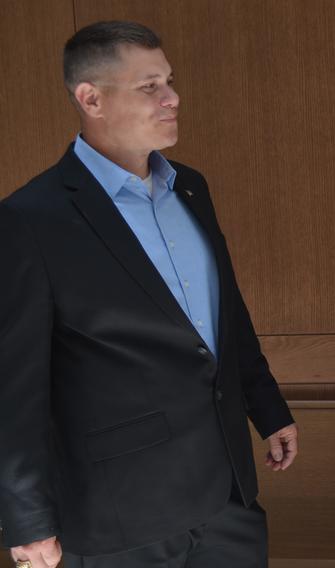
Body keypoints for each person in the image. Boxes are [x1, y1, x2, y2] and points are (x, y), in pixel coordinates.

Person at [0, 21, 298, 567]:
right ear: (90, 98)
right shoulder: (29, 219)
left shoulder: (191, 186)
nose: (172, 98)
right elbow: (13, 385)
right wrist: (28, 522)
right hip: (121, 516)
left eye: (169, 81)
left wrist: (267, 407)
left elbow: (224, 310)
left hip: (229, 498)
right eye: (150, 86)